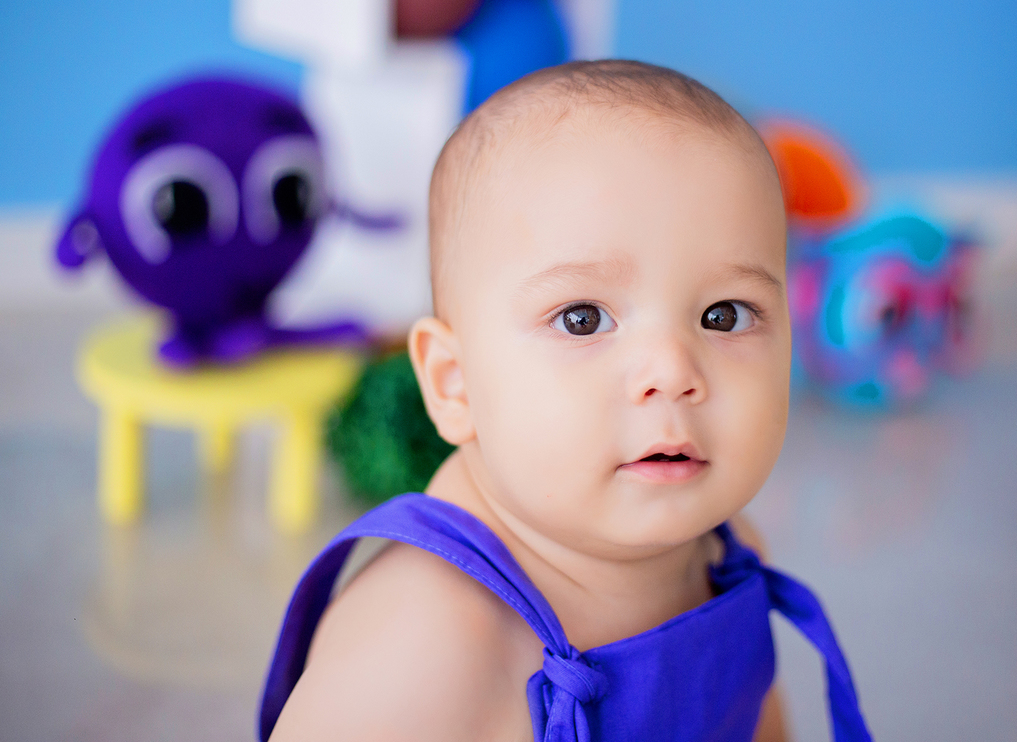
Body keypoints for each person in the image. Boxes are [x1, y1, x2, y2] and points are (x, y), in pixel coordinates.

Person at [259, 59, 872, 742]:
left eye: (725, 315)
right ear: (453, 382)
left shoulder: (727, 556)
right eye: (582, 318)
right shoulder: (423, 642)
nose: (672, 372)